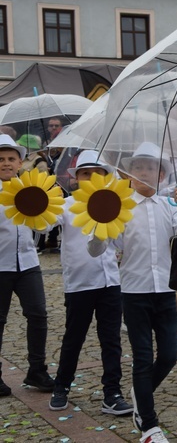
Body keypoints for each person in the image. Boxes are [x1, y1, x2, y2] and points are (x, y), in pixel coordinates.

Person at [88, 141, 177, 443]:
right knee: (143, 358)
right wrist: (101, 223)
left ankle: (140, 394)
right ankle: (149, 426)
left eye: (152, 167)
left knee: (169, 354)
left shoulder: (168, 206)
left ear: (162, 174)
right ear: (127, 173)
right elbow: (95, 250)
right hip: (134, 292)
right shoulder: (119, 207)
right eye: (139, 167)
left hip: (166, 292)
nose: (145, 172)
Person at [47, 150, 133, 415]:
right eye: (85, 174)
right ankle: (61, 386)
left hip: (109, 282)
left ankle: (112, 393)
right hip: (80, 284)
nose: (92, 178)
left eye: (98, 173)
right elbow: (43, 226)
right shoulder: (66, 205)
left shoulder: (114, 205)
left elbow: (119, 242)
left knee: (111, 340)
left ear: (107, 178)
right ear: (76, 179)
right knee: (74, 338)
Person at [0, 134, 55, 397]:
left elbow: (44, 226)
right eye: (0, 159)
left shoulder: (29, 188)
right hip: (0, 266)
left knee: (38, 315)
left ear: (20, 161)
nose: (6, 164)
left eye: (11, 158)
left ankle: (37, 370)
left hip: (28, 263)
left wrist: (38, 207)